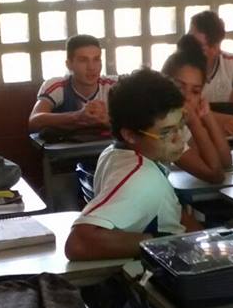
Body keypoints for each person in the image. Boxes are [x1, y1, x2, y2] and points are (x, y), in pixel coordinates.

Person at [65, 69, 201, 260]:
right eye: (166, 132)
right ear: (130, 135)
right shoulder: (141, 177)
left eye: (181, 124)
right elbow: (79, 243)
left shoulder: (115, 152)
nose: (179, 138)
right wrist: (162, 243)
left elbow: (177, 215)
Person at [161, 35, 233, 184]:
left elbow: (225, 162)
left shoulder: (179, 123)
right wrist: (195, 122)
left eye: (195, 91)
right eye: (179, 87)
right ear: (163, 84)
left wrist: (207, 116)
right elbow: (215, 175)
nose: (187, 97)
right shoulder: (160, 125)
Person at [28, 34, 118, 132]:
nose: (91, 67)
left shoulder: (114, 85)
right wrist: (78, 116)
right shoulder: (57, 85)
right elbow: (34, 121)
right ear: (69, 64)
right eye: (83, 60)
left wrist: (108, 121)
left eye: (96, 59)